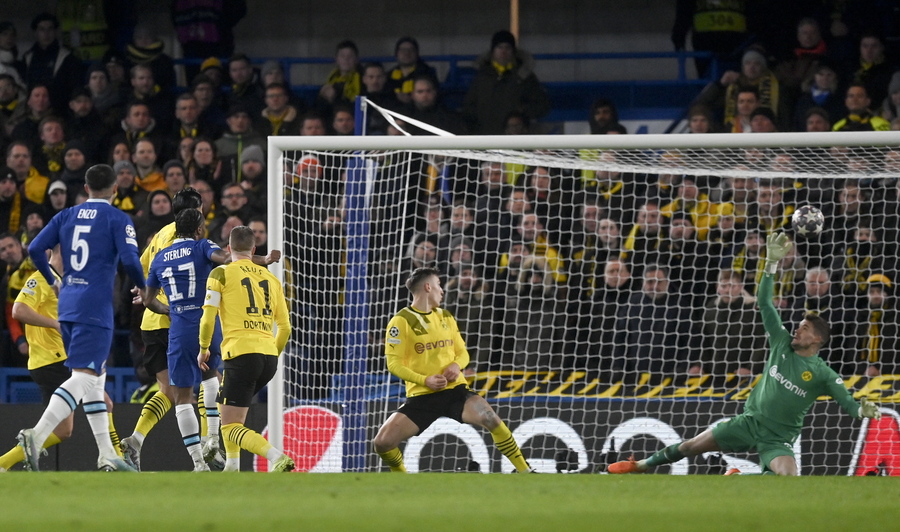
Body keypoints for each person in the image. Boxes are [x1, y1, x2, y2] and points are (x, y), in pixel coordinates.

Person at [609, 232, 882, 476]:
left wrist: (862, 410)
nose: (797, 330)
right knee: (691, 445)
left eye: (805, 328)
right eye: (799, 325)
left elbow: (848, 404)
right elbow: (764, 302)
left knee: (788, 478)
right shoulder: (781, 342)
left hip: (778, 439)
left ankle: (737, 476)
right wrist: (771, 264)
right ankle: (641, 465)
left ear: (818, 339)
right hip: (748, 422)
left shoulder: (823, 374)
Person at [17, 163, 143, 472]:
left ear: (86, 189)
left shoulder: (66, 215)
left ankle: (107, 454)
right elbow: (130, 261)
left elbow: (36, 248)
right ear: (115, 189)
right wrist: (146, 289)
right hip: (94, 306)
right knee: (85, 377)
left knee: (95, 380)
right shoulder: (118, 218)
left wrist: (53, 281)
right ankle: (36, 435)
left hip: (69, 303)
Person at [372, 266, 534, 473]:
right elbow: (393, 364)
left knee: (490, 417)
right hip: (422, 396)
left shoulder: (446, 316)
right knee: (382, 443)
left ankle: (525, 471)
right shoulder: (400, 322)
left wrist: (457, 365)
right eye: (439, 285)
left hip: (454, 391)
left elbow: (463, 352)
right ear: (428, 287)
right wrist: (425, 380)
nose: (442, 290)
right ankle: (402, 479)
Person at [0, 246, 124, 471]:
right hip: (52, 358)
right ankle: (117, 459)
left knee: (64, 431)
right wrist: (55, 324)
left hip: (61, 357)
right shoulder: (41, 278)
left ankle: (4, 463)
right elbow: (18, 310)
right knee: (103, 402)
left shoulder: (68, 280)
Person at [139, 209, 233, 471]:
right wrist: (257, 258)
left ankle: (198, 462)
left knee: (182, 397)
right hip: (206, 324)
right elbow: (225, 258)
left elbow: (147, 300)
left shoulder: (160, 256)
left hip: (179, 328)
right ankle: (212, 437)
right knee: (211, 376)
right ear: (199, 229)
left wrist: (167, 309)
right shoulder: (202, 246)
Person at [197, 225, 293, 472]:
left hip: (240, 354)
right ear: (254, 249)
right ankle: (232, 466)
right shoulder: (272, 279)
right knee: (229, 411)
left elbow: (207, 319)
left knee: (229, 425)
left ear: (228, 248)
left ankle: (276, 456)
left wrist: (204, 348)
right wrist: (272, 353)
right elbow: (285, 328)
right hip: (268, 358)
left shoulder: (221, 273)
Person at [462, 30, 550, 134]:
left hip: (515, 138)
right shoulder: (481, 76)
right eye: (499, 47)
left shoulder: (524, 77)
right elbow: (469, 107)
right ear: (493, 51)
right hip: (486, 136)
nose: (503, 51)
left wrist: (522, 111)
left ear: (513, 51)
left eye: (507, 48)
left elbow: (541, 105)